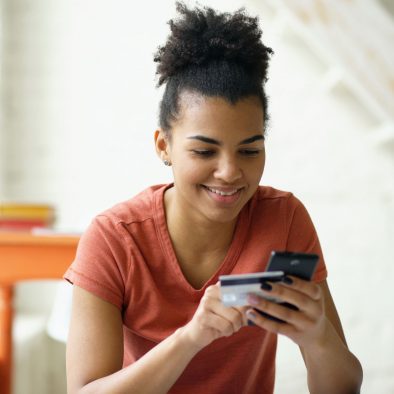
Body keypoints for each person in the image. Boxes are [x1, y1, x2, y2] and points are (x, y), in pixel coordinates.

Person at [64, 3, 363, 393]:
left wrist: (316, 336)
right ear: (163, 146)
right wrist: (192, 337)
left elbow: (344, 388)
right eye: (205, 152)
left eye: (250, 150)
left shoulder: (284, 218)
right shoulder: (114, 238)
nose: (230, 172)